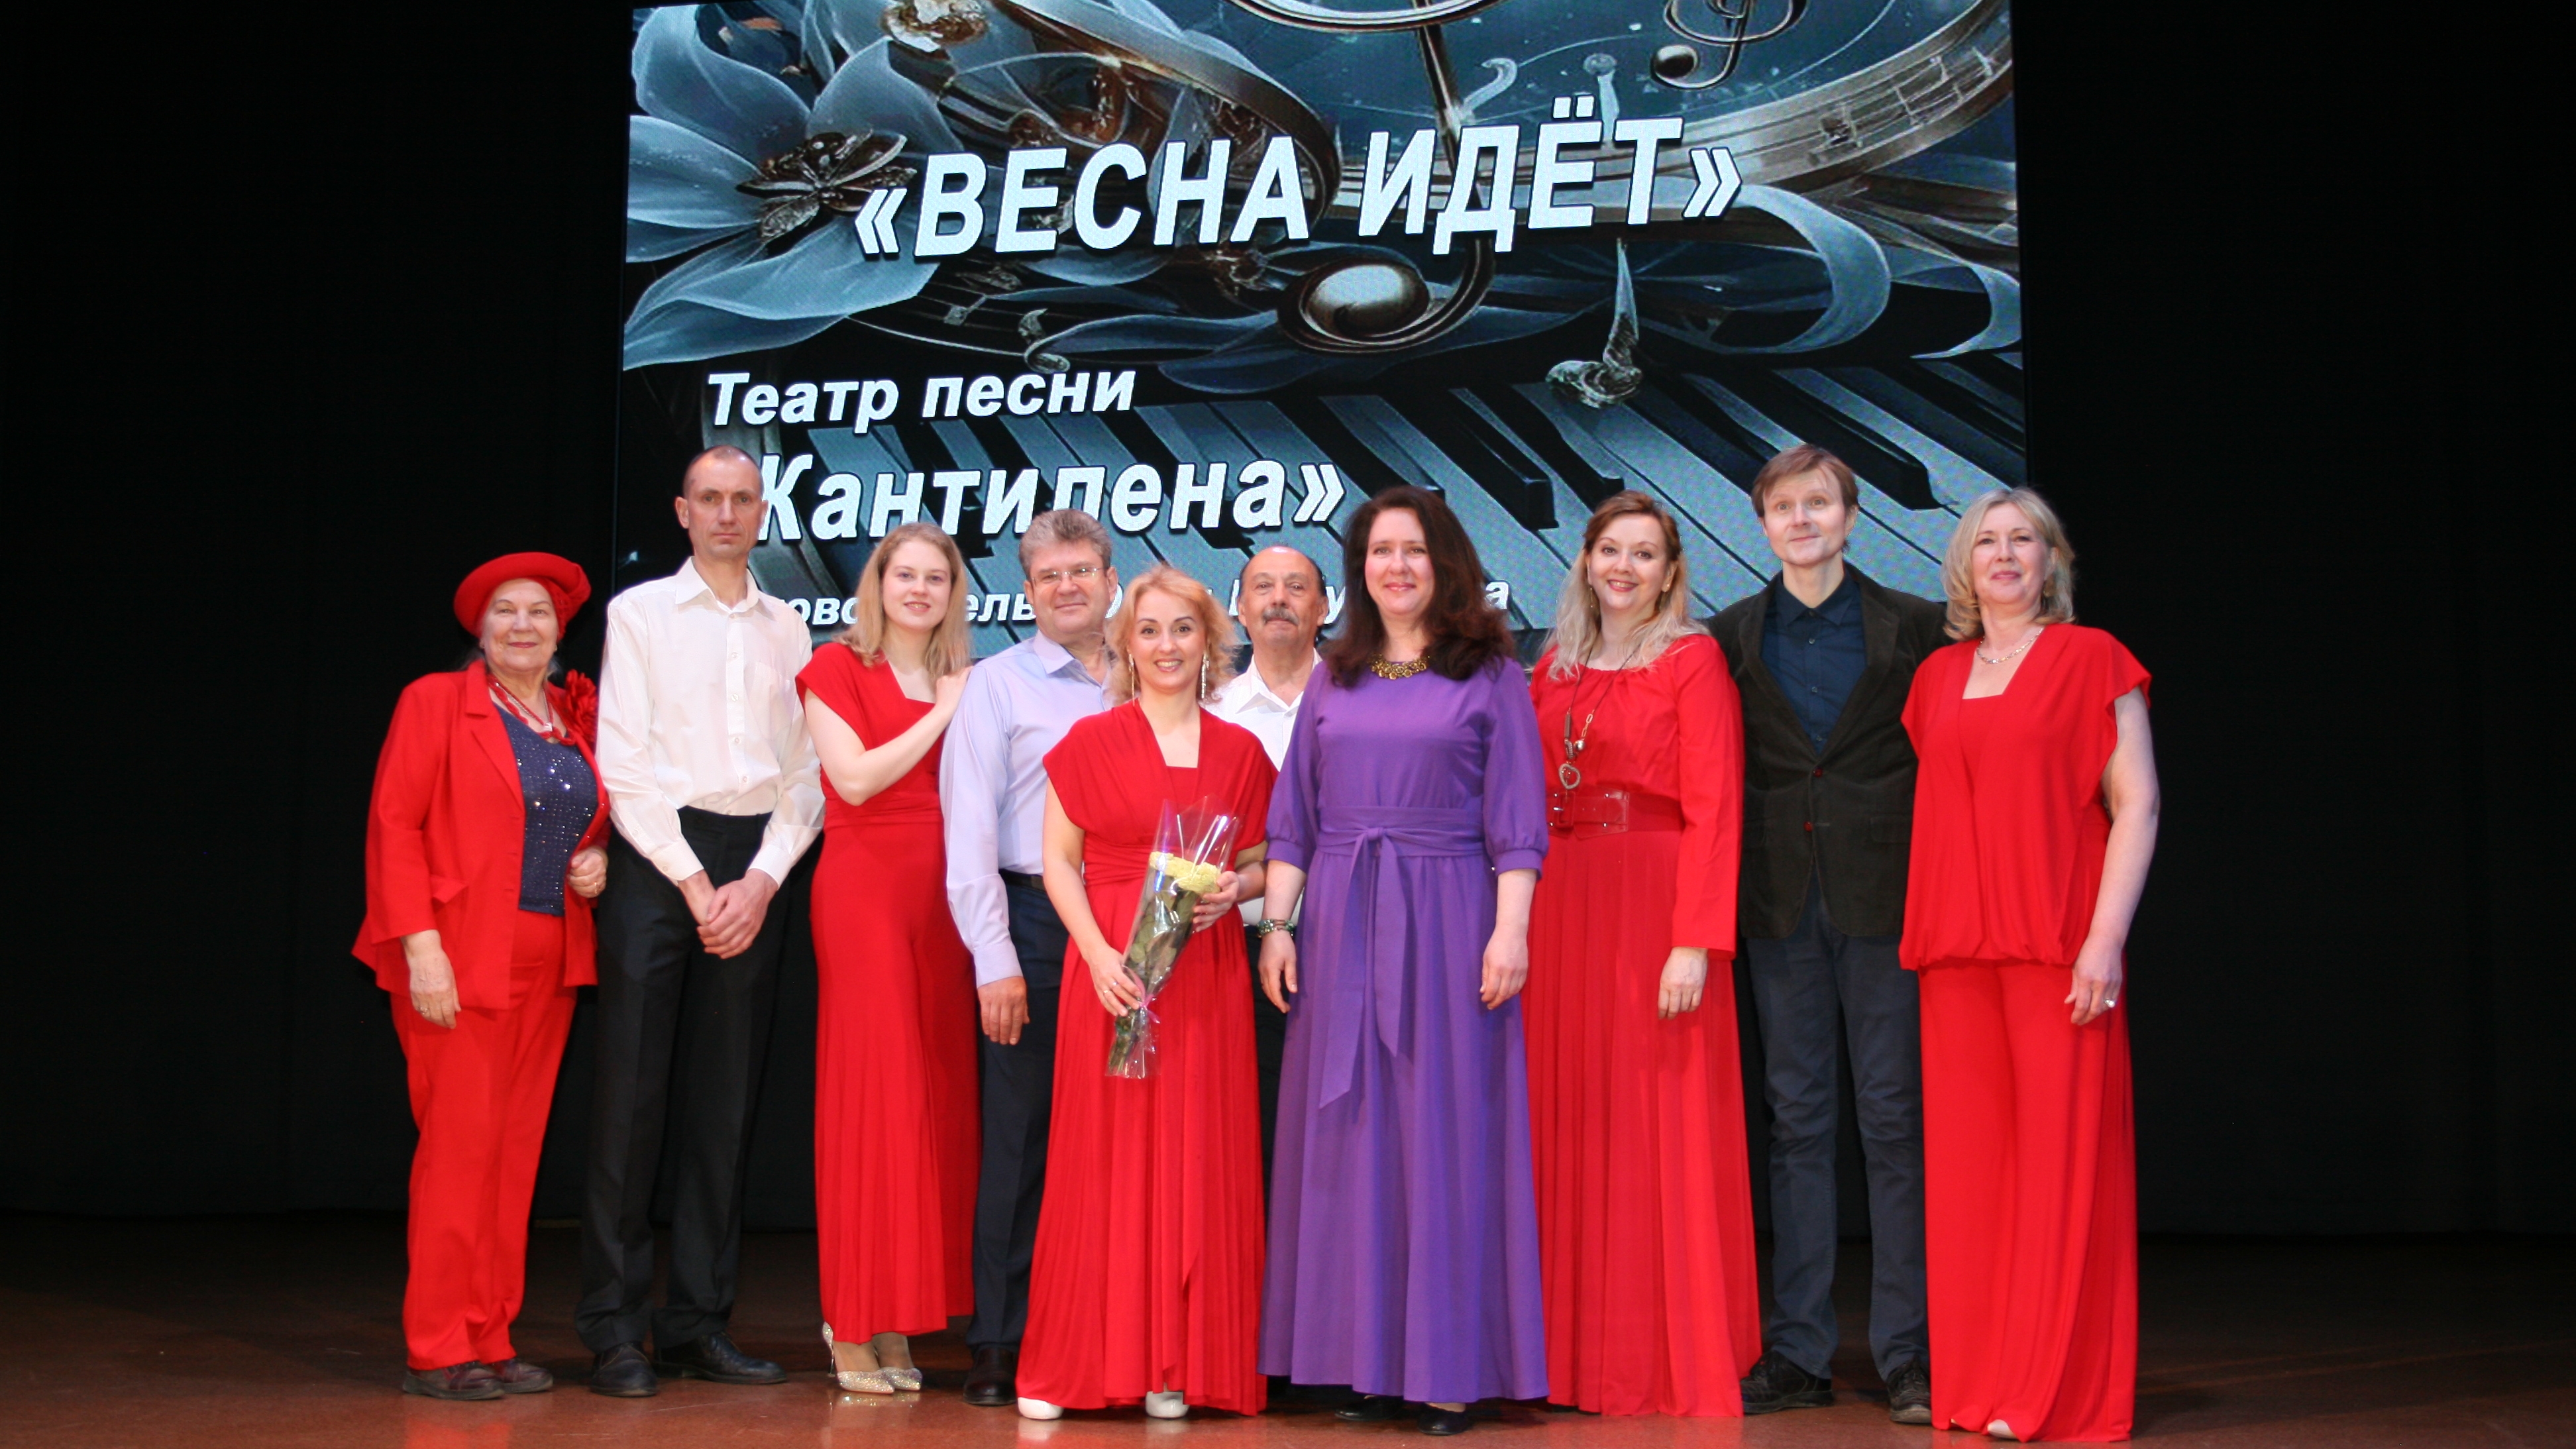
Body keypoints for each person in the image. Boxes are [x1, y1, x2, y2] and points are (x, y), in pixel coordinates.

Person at [1257, 485, 1550, 1436]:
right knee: (1352, 1142)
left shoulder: (1491, 671)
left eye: (1414, 549)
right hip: (1341, 922)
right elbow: (1294, 818)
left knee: (1442, 1141)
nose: (1396, 566)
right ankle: (1366, 1360)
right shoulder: (1334, 677)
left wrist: (1510, 931)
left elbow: (1518, 819)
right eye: (1380, 551)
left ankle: (1448, 1371)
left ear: (1445, 561)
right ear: (1361, 570)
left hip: (1451, 919)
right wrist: (1278, 925)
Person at [1900, 487, 2156, 1442]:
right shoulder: (1934, 677)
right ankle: (1979, 1384)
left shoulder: (2094, 658)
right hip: (1956, 953)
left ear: (2053, 561)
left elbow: (2138, 804)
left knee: (2060, 1168)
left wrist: (2105, 939)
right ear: (1964, 566)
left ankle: (2054, 1388)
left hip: (2058, 947)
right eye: (1986, 541)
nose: (2003, 554)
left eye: (2023, 540)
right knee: (1973, 1181)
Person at [1707, 445, 1948, 1423]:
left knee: (1894, 1122)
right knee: (1797, 1124)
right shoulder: (1728, 634)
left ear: (1850, 515)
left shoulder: (1921, 626)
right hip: (1777, 904)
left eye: (1819, 503)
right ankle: (1799, 1351)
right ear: (1762, 523)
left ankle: (1910, 1353)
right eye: (1784, 506)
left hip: (1888, 900)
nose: (1802, 520)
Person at [579, 447, 824, 1397]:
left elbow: (806, 771)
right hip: (657, 861)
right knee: (630, 1099)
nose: (727, 513)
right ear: (682, 511)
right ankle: (614, 1329)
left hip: (755, 862)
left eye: (742, 499)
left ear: (763, 512)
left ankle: (696, 1324)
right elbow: (624, 762)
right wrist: (690, 880)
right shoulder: (639, 613)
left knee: (726, 1106)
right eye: (709, 498)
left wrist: (760, 881)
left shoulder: (790, 626)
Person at [1014, 564, 1278, 1421]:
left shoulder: (1241, 753)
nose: (1167, 646)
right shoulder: (1090, 742)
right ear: (1125, 643)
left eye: (1184, 629)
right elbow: (1058, 861)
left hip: (1205, 978)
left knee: (1196, 1159)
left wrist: (1237, 890)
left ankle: (1174, 1361)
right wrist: (1095, 955)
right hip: (1112, 974)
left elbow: (1261, 861)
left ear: (1210, 641)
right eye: (1151, 629)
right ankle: (1070, 1365)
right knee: (1103, 1161)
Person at [1522, 493, 1760, 1415]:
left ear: (1669, 573)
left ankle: (1652, 1352)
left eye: (1644, 553)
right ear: (1585, 562)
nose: (1623, 566)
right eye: (1609, 550)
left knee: (1653, 1120)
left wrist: (1694, 940)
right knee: (1571, 1117)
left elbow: (1717, 807)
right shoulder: (1553, 667)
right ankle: (1562, 1354)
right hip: (1560, 903)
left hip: (1653, 903)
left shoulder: (1692, 661)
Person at [356, 552, 610, 1401]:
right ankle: (438, 1345)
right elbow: (395, 825)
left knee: (513, 1156)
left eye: (538, 611)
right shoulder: (436, 701)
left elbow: (575, 820)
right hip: (458, 954)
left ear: (560, 631)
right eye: (505, 610)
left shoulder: (568, 717)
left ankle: (490, 1335)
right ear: (480, 627)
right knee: (460, 1153)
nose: (521, 625)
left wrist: (596, 860)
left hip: (551, 955)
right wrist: (420, 946)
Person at [939, 509, 1117, 1405]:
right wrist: (993, 959)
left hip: (1140, 922)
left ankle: (1116, 1329)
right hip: (1034, 922)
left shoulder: (1158, 668)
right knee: (1022, 1135)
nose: (1068, 586)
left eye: (1082, 569)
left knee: (1126, 1133)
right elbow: (967, 830)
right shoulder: (996, 684)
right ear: (1028, 590)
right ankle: (1000, 1340)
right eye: (1050, 575)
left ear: (1111, 579)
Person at [796, 523, 979, 1393]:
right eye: (904, 574)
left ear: (953, 592)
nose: (918, 589)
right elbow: (856, 779)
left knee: (931, 1106)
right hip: (865, 890)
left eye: (935, 577)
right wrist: (944, 712)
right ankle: (851, 1316)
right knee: (872, 1101)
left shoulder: (962, 673)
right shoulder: (836, 667)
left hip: (944, 901)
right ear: (876, 583)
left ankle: (898, 1316)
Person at [1207, 544, 1327, 1181]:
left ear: (1325, 607)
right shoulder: (1206, 711)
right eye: (1263, 586)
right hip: (1232, 950)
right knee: (1247, 1144)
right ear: (1239, 607)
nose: (1279, 599)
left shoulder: (1363, 707)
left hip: (1342, 946)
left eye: (1296, 587)